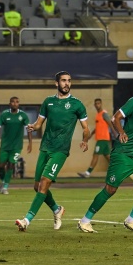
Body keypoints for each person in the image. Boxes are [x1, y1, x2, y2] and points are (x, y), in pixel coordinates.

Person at [78, 76, 133, 233]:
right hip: (124, 152)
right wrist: (121, 132)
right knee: (110, 189)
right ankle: (85, 221)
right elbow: (116, 117)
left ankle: (130, 220)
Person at [15, 72, 89, 231]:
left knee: (44, 183)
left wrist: (85, 139)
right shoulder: (48, 102)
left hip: (60, 151)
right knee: (37, 187)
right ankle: (57, 209)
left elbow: (86, 128)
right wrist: (33, 127)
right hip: (45, 148)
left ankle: (26, 220)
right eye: (63, 81)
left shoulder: (77, 104)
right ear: (56, 83)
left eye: (69, 80)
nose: (66, 83)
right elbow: (39, 124)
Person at [0, 97, 32, 195]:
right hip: (5, 146)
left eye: (17, 102)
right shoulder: (5, 114)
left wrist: (30, 143)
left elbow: (29, 129)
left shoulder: (23, 115)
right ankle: (3, 181)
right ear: (9, 103)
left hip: (17, 146)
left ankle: (5, 186)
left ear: (18, 104)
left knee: (10, 165)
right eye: (13, 102)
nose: (15, 103)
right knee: (1, 166)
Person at [78, 99, 119, 178]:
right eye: (96, 104)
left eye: (99, 103)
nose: (97, 105)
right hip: (102, 139)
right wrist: (91, 135)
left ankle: (87, 173)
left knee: (95, 155)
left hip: (102, 139)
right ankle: (118, 170)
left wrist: (115, 134)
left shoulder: (104, 114)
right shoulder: (98, 115)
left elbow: (110, 123)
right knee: (108, 156)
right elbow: (97, 128)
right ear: (94, 105)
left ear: (101, 104)